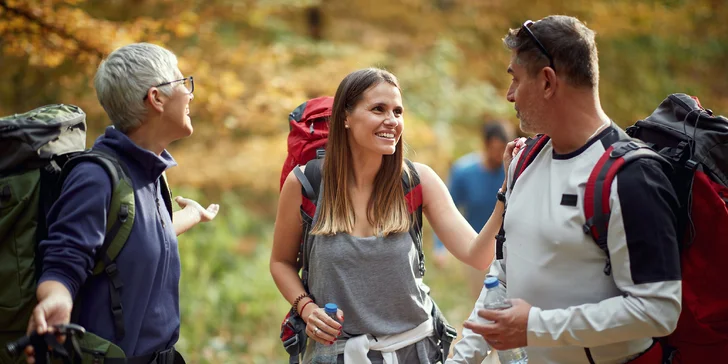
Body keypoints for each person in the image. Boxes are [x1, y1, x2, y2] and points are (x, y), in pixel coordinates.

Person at [447, 15, 682, 364]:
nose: (509, 95)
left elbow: (658, 310)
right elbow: (502, 275)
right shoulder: (523, 161)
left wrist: (537, 326)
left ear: (546, 82)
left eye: (515, 79)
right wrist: (462, 359)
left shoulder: (631, 176)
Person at [270, 68, 505, 363]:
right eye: (378, 109)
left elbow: (477, 255)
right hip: (338, 355)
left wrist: (505, 196)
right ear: (345, 116)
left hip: (417, 351)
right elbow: (280, 262)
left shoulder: (419, 181)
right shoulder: (306, 185)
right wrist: (306, 309)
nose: (391, 121)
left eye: (397, 111)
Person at [25, 43, 219, 363]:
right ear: (156, 98)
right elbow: (65, 257)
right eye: (182, 82)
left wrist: (191, 216)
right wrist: (55, 298)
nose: (190, 93)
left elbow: (138, 238)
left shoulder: (151, 173)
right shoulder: (95, 177)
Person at [432, 121, 510, 299]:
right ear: (485, 145)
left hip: (510, 247)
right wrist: (440, 247)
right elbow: (444, 209)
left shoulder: (511, 171)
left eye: (502, 148)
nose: (499, 154)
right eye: (495, 148)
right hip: (477, 247)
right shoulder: (464, 171)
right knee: (483, 302)